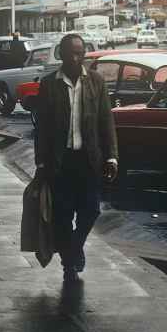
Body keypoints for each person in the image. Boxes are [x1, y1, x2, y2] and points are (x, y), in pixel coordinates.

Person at [34, 33, 119, 283]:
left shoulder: (96, 82)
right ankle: (69, 263)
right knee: (61, 215)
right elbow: (43, 129)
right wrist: (41, 163)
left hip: (88, 160)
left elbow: (106, 121)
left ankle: (73, 247)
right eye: (71, 52)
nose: (75, 57)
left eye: (80, 52)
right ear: (61, 54)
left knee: (91, 210)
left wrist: (112, 157)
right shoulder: (49, 84)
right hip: (60, 162)